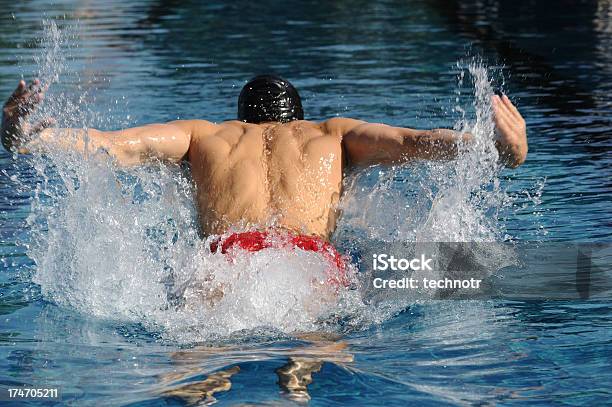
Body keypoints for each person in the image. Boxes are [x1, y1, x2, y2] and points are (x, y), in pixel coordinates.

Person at [1, 74, 527, 286]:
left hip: (221, 259)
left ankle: (199, 380)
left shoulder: (202, 135)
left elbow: (110, 147)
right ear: (297, 115)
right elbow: (416, 144)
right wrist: (494, 147)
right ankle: (298, 380)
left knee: (199, 349)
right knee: (317, 345)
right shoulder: (332, 134)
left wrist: (26, 138)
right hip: (308, 258)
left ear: (242, 117)